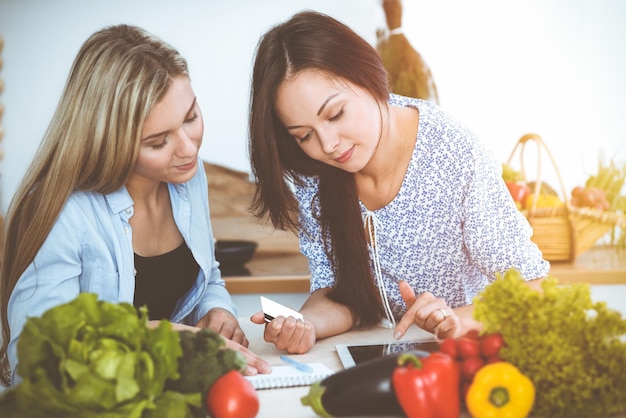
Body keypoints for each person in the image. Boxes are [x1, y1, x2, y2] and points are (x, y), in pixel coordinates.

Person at [247, 11, 549, 354]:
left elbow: (534, 285)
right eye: (304, 135)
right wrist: (305, 324)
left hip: (466, 361)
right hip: (378, 365)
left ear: (368, 76)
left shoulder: (452, 152)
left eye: (335, 114)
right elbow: (341, 296)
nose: (327, 145)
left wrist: (461, 318)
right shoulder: (313, 172)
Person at [0, 24, 271, 387]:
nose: (189, 149)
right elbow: (33, 360)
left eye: (191, 117)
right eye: (158, 142)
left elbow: (208, 274)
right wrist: (160, 335)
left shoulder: (187, 178)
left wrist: (214, 309)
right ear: (110, 141)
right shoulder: (60, 213)